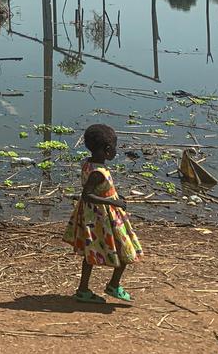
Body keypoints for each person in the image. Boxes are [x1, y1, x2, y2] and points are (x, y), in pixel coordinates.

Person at [63, 123, 142, 302]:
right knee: (125, 249)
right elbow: (88, 195)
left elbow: (98, 191)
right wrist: (113, 201)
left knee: (90, 252)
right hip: (103, 218)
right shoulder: (97, 172)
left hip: (93, 217)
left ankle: (83, 289)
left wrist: (113, 195)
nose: (116, 151)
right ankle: (113, 285)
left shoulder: (89, 164)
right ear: (107, 150)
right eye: (115, 147)